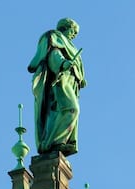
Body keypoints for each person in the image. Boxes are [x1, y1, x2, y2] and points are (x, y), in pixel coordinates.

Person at [28, 18, 86, 156]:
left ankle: (60, 142)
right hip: (60, 82)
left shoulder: (72, 47)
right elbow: (53, 55)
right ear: (66, 27)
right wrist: (62, 64)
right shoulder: (55, 37)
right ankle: (52, 142)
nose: (74, 35)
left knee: (62, 112)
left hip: (70, 84)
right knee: (71, 109)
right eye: (73, 31)